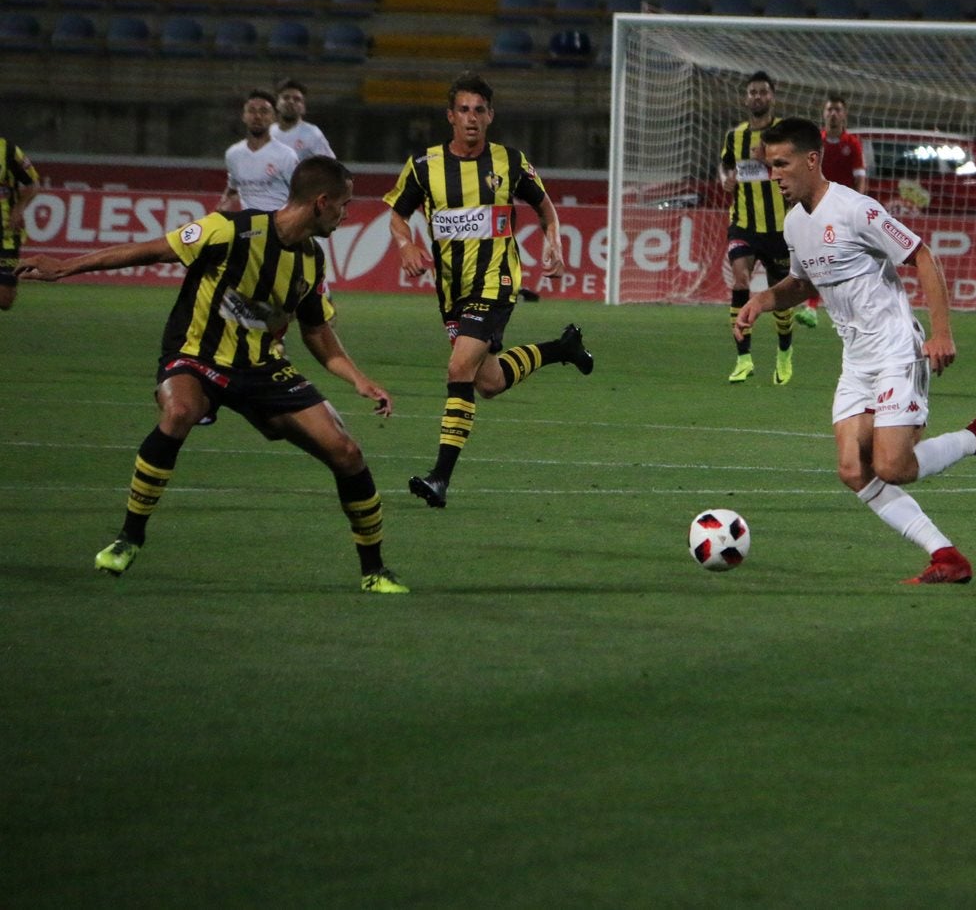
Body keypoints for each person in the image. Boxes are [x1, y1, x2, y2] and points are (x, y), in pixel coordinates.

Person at [17, 156, 409, 593]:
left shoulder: (311, 260)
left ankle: (374, 571)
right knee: (180, 411)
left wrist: (358, 379)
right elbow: (152, 249)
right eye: (344, 205)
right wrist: (65, 267)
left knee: (347, 453)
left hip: (262, 368)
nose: (346, 214)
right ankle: (129, 538)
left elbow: (316, 332)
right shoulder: (229, 229)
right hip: (196, 356)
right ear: (321, 202)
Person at [735, 117, 976, 585]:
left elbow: (922, 255)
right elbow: (803, 283)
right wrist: (764, 299)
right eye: (769, 166)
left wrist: (941, 334)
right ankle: (946, 556)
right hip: (856, 361)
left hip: (895, 350)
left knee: (892, 467)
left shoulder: (857, 210)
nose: (774, 176)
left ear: (812, 160)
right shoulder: (794, 225)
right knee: (853, 470)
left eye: (782, 164)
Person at [385, 71, 594, 509]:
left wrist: (553, 243)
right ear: (450, 116)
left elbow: (545, 208)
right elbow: (398, 214)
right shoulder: (423, 167)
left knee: (458, 368)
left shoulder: (510, 162)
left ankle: (440, 478)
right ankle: (563, 348)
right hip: (451, 290)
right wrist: (405, 244)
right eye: (464, 110)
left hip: (496, 280)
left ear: (491, 116)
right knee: (489, 381)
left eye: (480, 110)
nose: (472, 118)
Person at [719, 71, 799, 385]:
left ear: (772, 96)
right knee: (740, 281)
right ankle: (743, 358)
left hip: (780, 228)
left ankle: (784, 353)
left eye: (763, 92)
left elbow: (792, 168)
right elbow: (727, 165)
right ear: (746, 98)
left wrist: (765, 162)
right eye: (752, 92)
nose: (757, 97)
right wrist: (726, 179)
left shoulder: (783, 134)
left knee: (781, 297)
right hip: (743, 224)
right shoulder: (734, 136)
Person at [793, 93, 869, 330]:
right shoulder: (817, 142)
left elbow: (860, 178)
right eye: (830, 110)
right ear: (824, 114)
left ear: (844, 114)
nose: (833, 114)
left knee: (839, 258)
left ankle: (829, 308)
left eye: (837, 110)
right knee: (818, 256)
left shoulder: (852, 144)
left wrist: (858, 205)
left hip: (844, 211)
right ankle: (814, 307)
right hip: (818, 208)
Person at [219, 89, 300, 213]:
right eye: (251, 111)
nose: (257, 116)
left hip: (279, 227)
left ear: (273, 117)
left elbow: (301, 195)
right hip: (249, 228)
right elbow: (232, 189)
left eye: (264, 111)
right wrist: (223, 207)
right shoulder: (233, 154)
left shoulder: (286, 155)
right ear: (244, 116)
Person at [1, 135, 41, 312]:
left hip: (6, 235)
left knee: (4, 300)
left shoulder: (7, 150)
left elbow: (33, 184)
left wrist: (19, 207)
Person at [269, 77, 336, 163]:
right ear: (277, 104)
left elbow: (330, 165)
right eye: (286, 98)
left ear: (303, 108)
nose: (291, 102)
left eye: (297, 99)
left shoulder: (312, 134)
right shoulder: (268, 133)